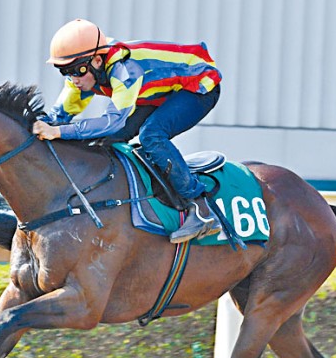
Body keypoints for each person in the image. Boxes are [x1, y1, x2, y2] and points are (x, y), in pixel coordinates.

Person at [33, 18, 223, 244]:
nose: (73, 80)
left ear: (96, 60)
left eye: (77, 70)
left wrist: (59, 132)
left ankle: (201, 208)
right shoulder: (85, 75)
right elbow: (59, 117)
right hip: (158, 91)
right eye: (64, 71)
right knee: (109, 140)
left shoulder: (125, 70)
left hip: (198, 86)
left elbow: (113, 121)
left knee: (151, 135)